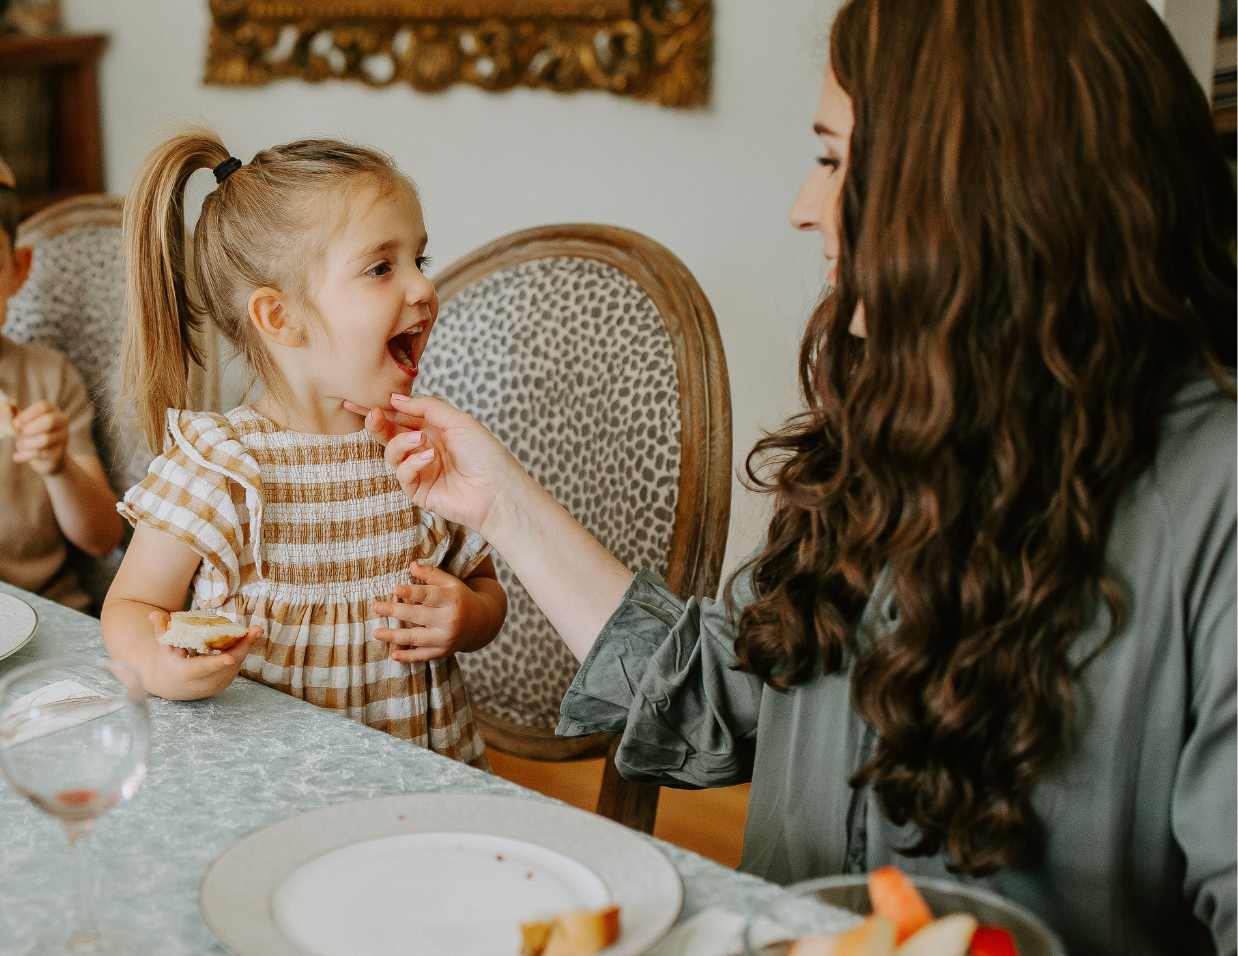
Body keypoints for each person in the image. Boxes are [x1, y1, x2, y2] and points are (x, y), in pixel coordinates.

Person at [352, 0, 1237, 952]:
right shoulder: (885, 438)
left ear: (983, 183)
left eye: (834, 159)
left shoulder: (1214, 507)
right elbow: (723, 698)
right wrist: (502, 504)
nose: (803, 207)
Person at [100, 132, 507, 768]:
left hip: (421, 781)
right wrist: (160, 665)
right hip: (270, 789)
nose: (423, 288)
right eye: (381, 268)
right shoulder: (221, 466)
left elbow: (485, 590)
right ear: (281, 319)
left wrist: (467, 616)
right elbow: (129, 607)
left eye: (420, 260)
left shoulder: (421, 452)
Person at [0, 156, 124, 611]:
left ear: (17, 269)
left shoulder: (48, 379)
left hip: (48, 614)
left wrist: (58, 467)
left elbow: (102, 539)